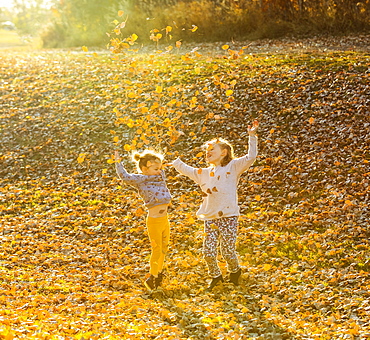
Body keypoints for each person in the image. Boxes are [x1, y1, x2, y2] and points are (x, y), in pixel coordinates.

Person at [172, 120, 258, 290]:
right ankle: (216, 276)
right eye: (207, 150)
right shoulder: (204, 173)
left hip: (229, 216)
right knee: (208, 252)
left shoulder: (233, 167)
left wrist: (252, 136)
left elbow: (251, 157)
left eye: (213, 150)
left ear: (224, 152)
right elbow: (187, 170)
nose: (208, 152)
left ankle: (235, 271)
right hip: (210, 217)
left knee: (227, 251)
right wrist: (175, 162)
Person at [114, 149, 171, 290]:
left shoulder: (160, 176)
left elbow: (163, 164)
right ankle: (152, 277)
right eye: (155, 169)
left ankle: (159, 274)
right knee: (157, 249)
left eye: (160, 168)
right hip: (154, 221)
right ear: (145, 169)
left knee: (164, 248)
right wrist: (117, 161)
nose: (159, 171)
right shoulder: (141, 180)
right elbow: (124, 176)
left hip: (165, 219)